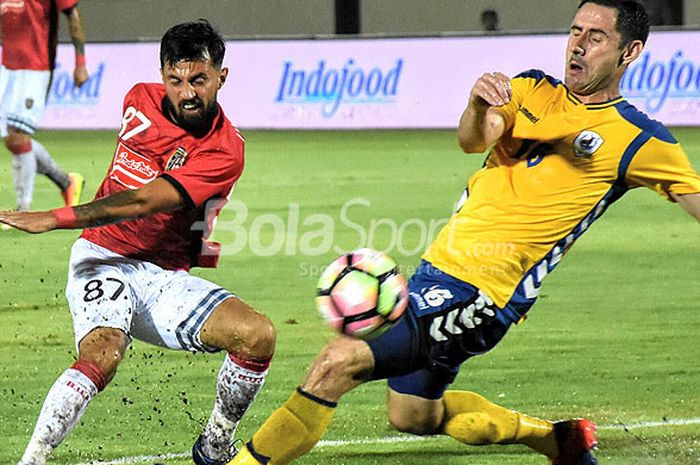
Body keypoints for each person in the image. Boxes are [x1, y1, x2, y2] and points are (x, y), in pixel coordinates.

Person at [224, 1, 700, 465]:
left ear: (629, 52)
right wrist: (476, 104)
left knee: (337, 362)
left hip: (484, 293)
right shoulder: (533, 89)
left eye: (596, 37)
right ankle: (559, 441)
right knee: (411, 414)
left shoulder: (641, 138)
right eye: (575, 31)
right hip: (438, 271)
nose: (578, 45)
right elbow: (475, 139)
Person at [0, 20, 276, 465]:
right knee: (104, 354)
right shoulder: (137, 99)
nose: (187, 92)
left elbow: (146, 200)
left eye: (199, 80)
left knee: (257, 336)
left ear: (222, 77)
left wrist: (54, 217)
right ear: (162, 75)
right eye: (176, 80)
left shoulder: (226, 150)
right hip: (101, 258)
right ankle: (31, 459)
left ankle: (214, 445)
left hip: (165, 278)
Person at [0, 0, 87, 213]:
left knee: (18, 136)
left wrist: (81, 63)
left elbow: (73, 14)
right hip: (8, 66)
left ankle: (23, 210)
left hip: (36, 68)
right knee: (13, 140)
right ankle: (67, 183)